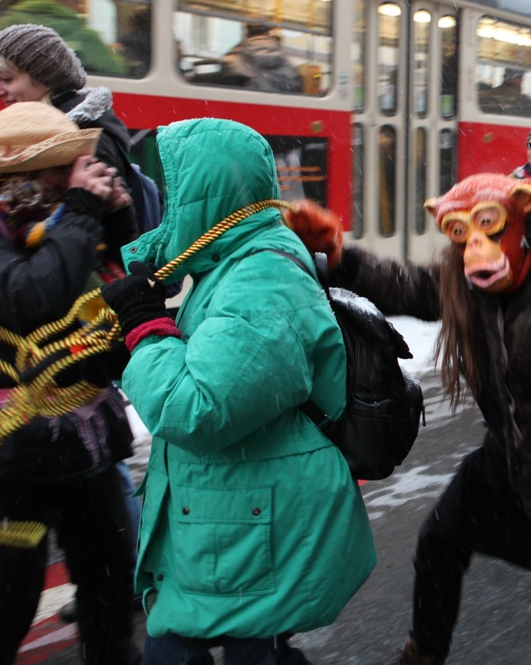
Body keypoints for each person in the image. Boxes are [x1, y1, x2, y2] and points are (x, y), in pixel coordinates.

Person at [286, 173, 531, 665]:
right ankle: (423, 653)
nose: (475, 247)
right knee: (439, 541)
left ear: (521, 221)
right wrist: (342, 261)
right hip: (510, 456)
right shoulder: (467, 283)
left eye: (489, 226)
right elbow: (409, 287)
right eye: (460, 233)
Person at [98, 118, 375, 664]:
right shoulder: (236, 262)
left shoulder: (263, 278)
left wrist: (146, 328)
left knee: (189, 651)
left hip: (249, 522)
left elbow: (196, 409)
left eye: (175, 191)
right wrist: (132, 344)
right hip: (237, 514)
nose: (167, 206)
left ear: (208, 194)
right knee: (242, 650)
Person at [0, 102, 138, 665]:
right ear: (26, 175)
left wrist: (115, 221)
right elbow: (27, 297)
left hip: (84, 442)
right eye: (63, 166)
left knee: (111, 583)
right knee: (4, 601)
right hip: (8, 455)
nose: (78, 172)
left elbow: (119, 288)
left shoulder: (68, 219)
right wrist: (80, 210)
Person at [0, 24, 140, 244]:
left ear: (44, 78)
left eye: (7, 79)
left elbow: (102, 236)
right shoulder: (61, 128)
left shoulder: (83, 138)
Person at [0, 0, 127, 77]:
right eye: (77, 2)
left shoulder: (7, 22)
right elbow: (115, 70)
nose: (80, 9)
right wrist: (114, 53)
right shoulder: (85, 36)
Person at [220, 23, 303, 93]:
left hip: (245, 101)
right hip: (279, 103)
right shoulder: (284, 55)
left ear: (247, 32)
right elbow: (294, 84)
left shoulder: (233, 56)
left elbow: (229, 83)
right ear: (267, 32)